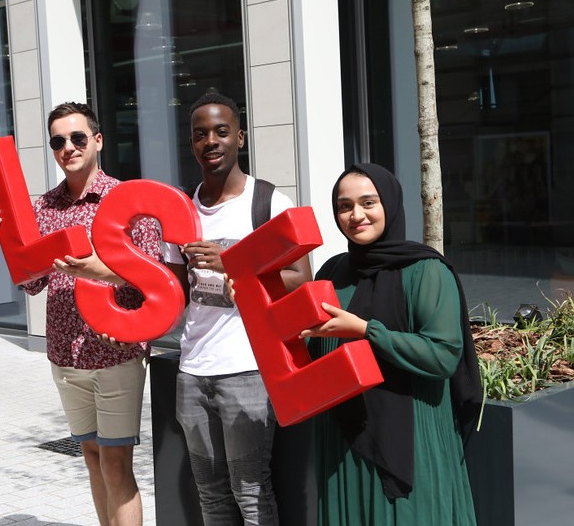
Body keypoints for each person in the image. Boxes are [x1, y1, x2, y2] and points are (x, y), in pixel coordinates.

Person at [0, 102, 161, 526]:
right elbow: (32, 283)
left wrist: (99, 270)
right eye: (59, 141)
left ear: (97, 140)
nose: (69, 147)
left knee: (117, 463)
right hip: (65, 356)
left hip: (114, 351)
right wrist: (3, 236)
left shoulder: (127, 200)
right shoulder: (44, 208)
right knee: (92, 457)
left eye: (78, 137)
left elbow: (154, 276)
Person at [299, 163, 482, 525]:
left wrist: (368, 331)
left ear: (391, 204)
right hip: (344, 440)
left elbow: (443, 355)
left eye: (369, 202)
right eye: (344, 206)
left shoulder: (426, 271)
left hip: (410, 437)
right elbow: (312, 347)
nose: (356, 215)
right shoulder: (333, 272)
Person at [164, 92, 312, 526]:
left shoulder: (268, 203)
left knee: (250, 491)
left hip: (248, 368)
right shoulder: (180, 211)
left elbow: (301, 279)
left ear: (240, 138)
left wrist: (234, 270)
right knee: (210, 495)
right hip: (192, 370)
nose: (211, 141)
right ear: (192, 144)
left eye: (222, 131)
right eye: (200, 134)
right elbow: (172, 288)